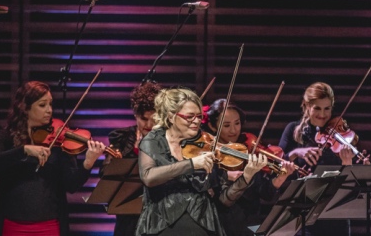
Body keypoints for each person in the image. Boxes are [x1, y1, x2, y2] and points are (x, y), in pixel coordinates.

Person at [135, 87, 268, 236]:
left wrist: (246, 177)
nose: (196, 121)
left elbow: (223, 201)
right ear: (171, 116)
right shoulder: (154, 140)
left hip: (203, 226)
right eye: (190, 116)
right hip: (161, 225)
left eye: (199, 116)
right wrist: (192, 164)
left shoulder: (205, 143)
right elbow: (149, 177)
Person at [0, 81, 106, 236]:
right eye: (42, 105)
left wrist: (88, 163)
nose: (49, 110)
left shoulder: (58, 142)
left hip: (49, 226)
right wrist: (24, 150)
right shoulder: (4, 138)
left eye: (50, 104)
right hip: (13, 226)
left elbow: (71, 185)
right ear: (25, 108)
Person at [203, 98, 296, 236]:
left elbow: (264, 192)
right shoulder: (208, 155)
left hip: (251, 225)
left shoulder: (246, 149)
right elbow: (219, 201)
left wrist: (281, 178)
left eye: (237, 123)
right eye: (226, 125)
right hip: (221, 227)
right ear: (212, 126)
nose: (234, 130)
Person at [278, 81, 355, 236]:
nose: (323, 114)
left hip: (333, 212)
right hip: (302, 211)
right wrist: (297, 152)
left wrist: (347, 163)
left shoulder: (338, 134)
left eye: (327, 108)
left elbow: (351, 181)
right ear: (307, 106)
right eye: (317, 108)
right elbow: (277, 163)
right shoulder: (293, 130)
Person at [102, 81, 162, 236]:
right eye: (144, 119)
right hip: (128, 219)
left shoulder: (168, 140)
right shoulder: (122, 138)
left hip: (159, 217)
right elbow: (105, 172)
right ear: (135, 115)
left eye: (154, 119)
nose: (149, 124)